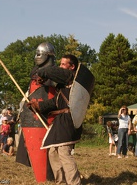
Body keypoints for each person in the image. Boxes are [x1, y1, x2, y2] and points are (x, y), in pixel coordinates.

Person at [28, 54, 89, 185]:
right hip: (60, 120)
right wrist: (38, 106)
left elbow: (52, 71)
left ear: (71, 67)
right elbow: (55, 103)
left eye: (63, 64)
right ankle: (60, 182)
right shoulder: (62, 86)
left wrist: (41, 72)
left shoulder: (71, 78)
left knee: (64, 153)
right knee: (52, 152)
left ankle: (74, 183)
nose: (60, 66)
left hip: (69, 120)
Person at [16, 42, 57, 182]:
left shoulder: (56, 73)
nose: (36, 57)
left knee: (50, 155)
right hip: (33, 116)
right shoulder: (34, 73)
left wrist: (48, 79)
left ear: (48, 55)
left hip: (48, 117)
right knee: (35, 153)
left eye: (39, 54)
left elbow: (56, 95)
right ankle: (42, 179)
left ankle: (50, 178)